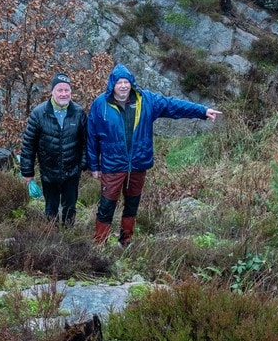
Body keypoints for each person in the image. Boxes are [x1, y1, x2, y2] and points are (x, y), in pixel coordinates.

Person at [87, 63, 221, 245]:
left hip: (138, 164)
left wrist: (202, 111)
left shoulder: (146, 100)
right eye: (119, 82)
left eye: (126, 82)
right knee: (106, 205)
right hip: (112, 165)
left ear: (131, 83)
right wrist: (94, 165)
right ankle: (99, 244)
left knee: (132, 204)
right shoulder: (100, 104)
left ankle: (125, 241)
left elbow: (173, 106)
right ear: (112, 84)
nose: (123, 86)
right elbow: (92, 136)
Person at [20, 72, 88, 224]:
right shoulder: (39, 113)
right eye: (60, 90)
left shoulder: (78, 113)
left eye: (66, 90)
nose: (63, 94)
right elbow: (28, 145)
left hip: (72, 172)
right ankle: (52, 233)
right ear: (52, 92)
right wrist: (27, 172)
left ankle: (69, 232)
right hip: (48, 172)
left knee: (70, 206)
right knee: (51, 207)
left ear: (71, 92)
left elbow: (86, 141)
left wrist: (83, 164)